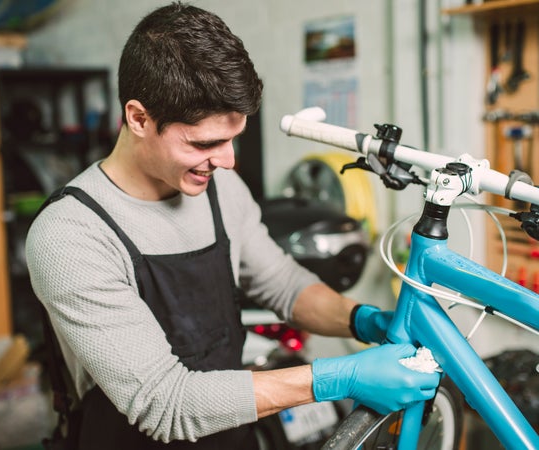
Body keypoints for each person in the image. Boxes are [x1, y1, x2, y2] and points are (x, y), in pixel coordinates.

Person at [26, 2, 440, 449]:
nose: (228, 161)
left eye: (233, 139)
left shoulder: (220, 187)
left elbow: (280, 282)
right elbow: (166, 404)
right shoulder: (71, 235)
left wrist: (360, 320)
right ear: (138, 118)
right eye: (206, 142)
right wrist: (338, 377)